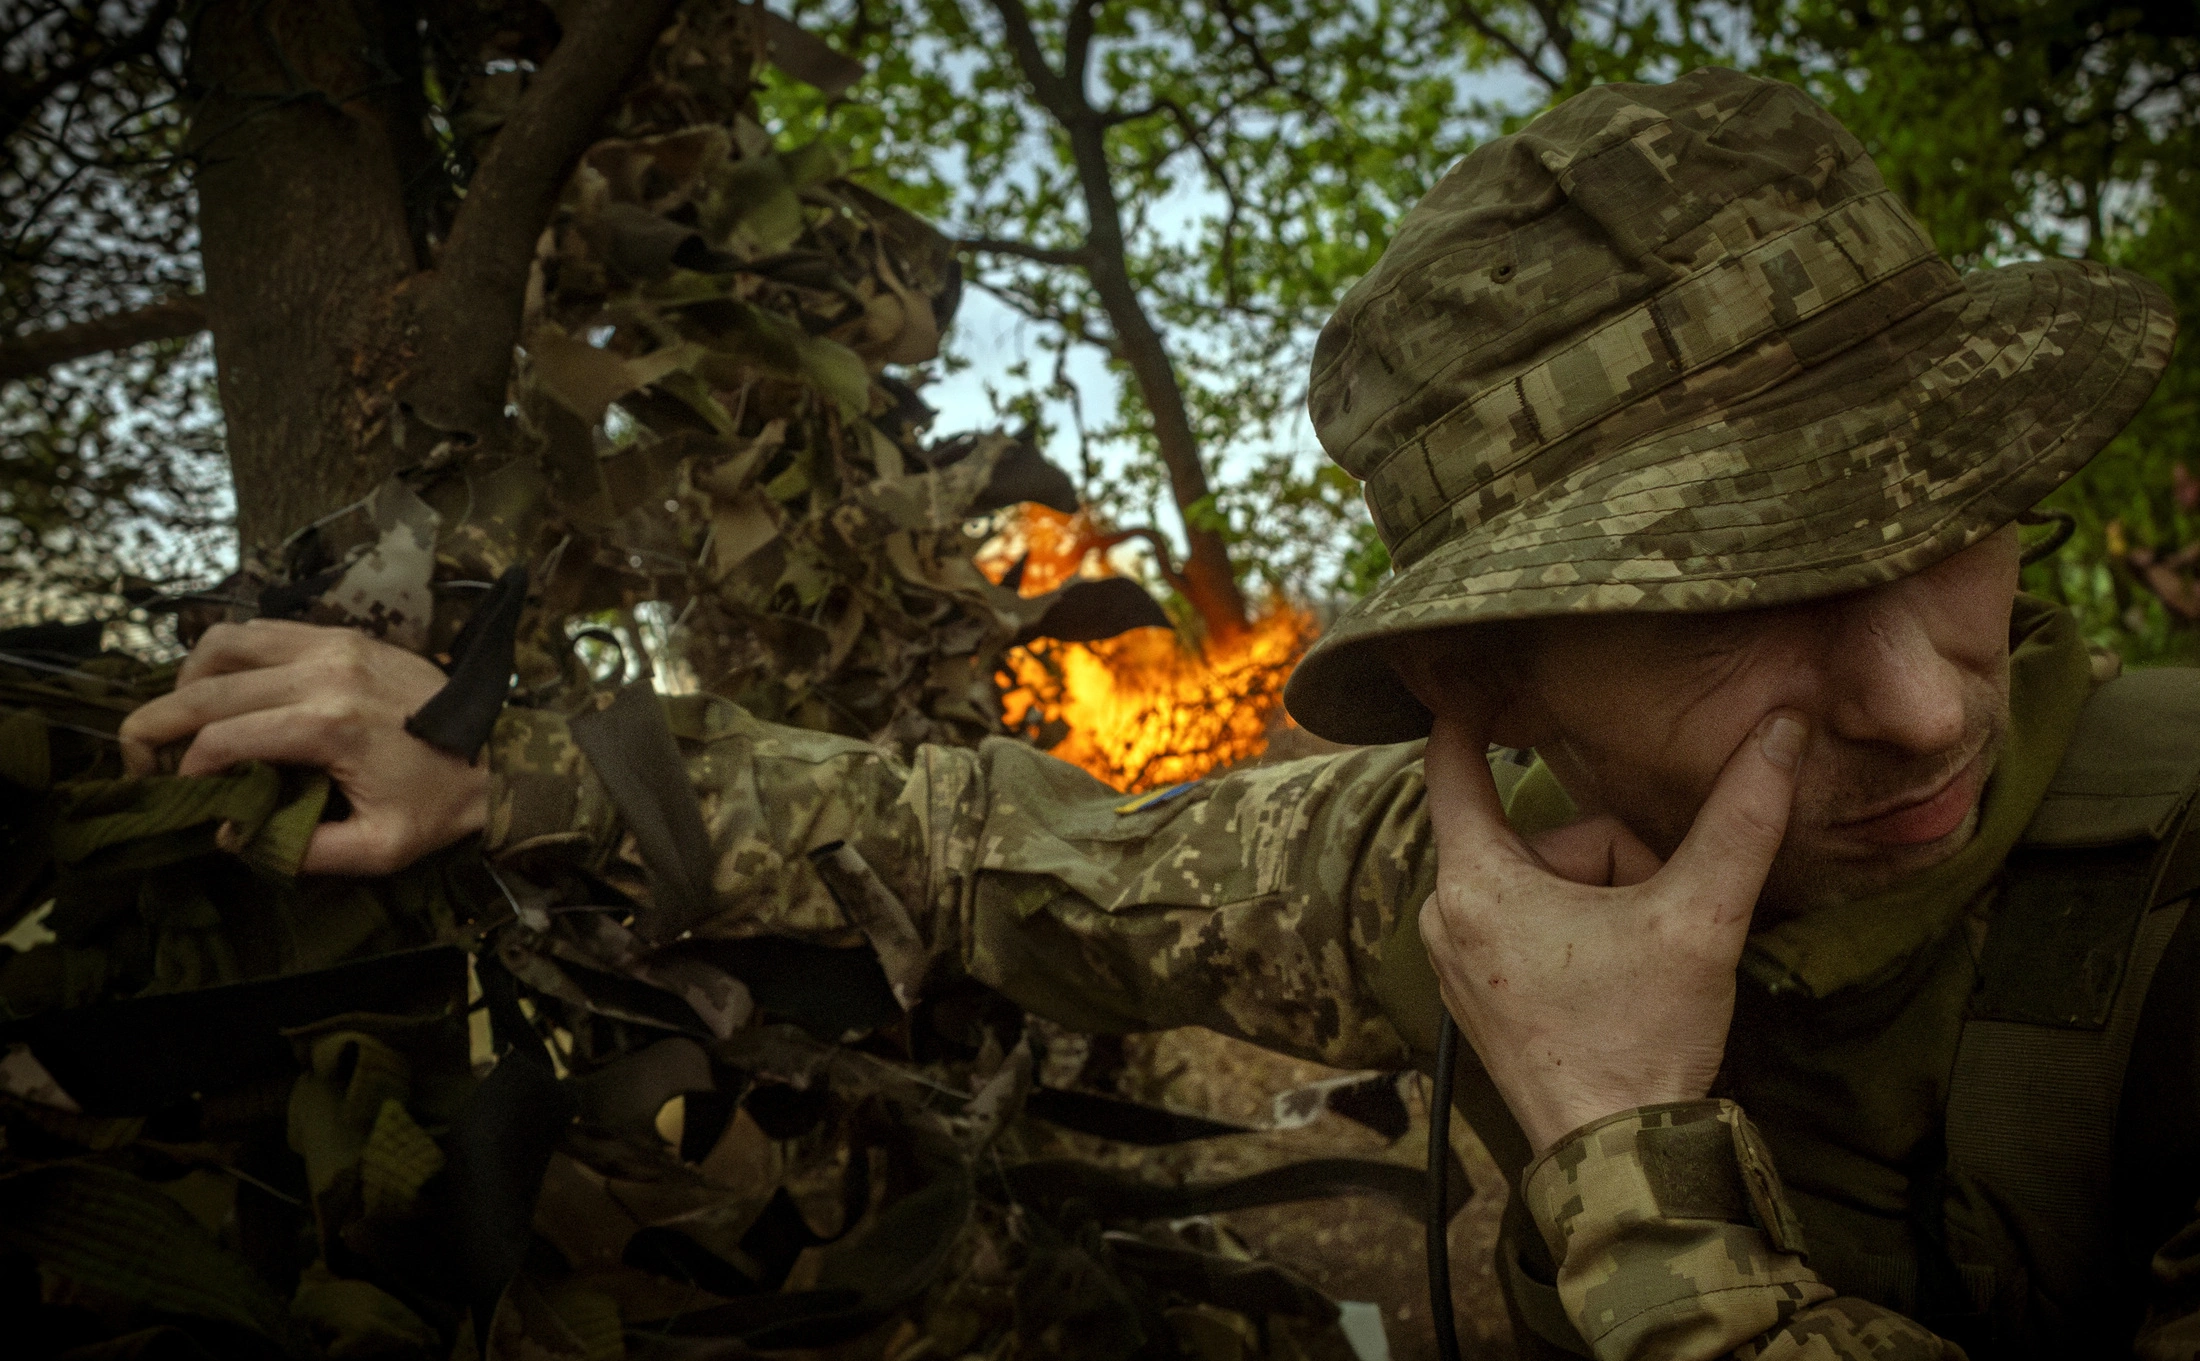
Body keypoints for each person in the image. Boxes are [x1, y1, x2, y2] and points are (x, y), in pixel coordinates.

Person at [117, 67, 2194, 1358]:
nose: (1931, 703)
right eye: (1724, 615)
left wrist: (1625, 1165)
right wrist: (507, 751)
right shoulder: (1468, 864)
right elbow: (1005, 844)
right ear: (1490, 686)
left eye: (1952, 523)